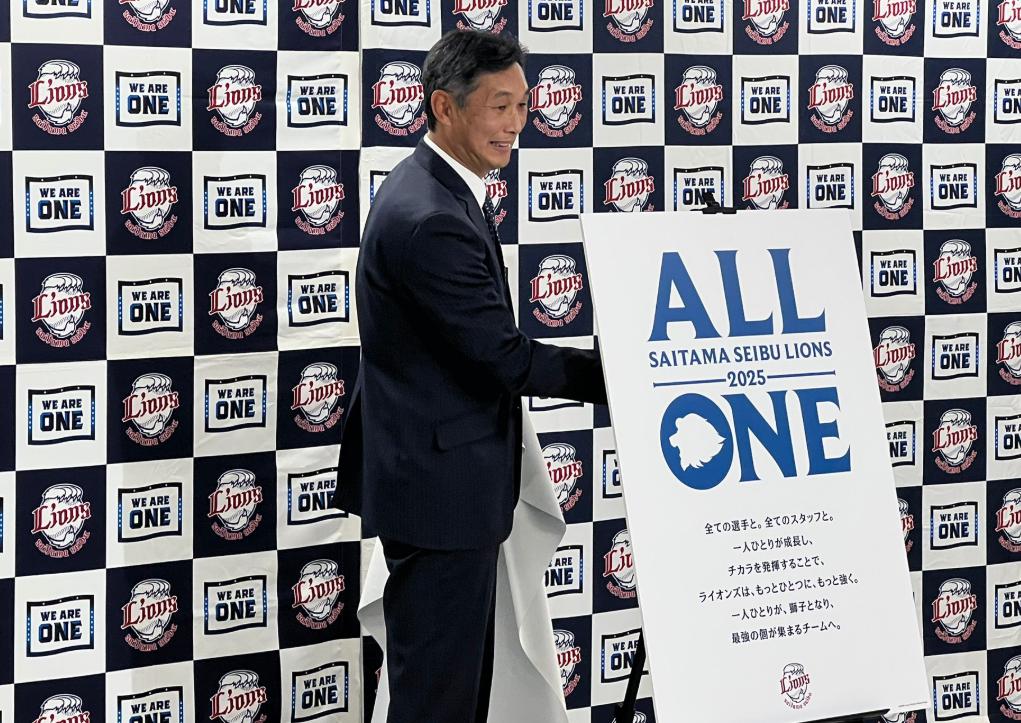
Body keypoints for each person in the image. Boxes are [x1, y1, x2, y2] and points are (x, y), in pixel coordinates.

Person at [334, 29, 607, 723]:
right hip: (439, 495)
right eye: (499, 106)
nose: (516, 124)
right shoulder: (430, 216)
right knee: (437, 700)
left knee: (449, 691)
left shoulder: (432, 188)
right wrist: (621, 376)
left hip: (436, 482)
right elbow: (504, 357)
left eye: (523, 106)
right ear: (444, 107)